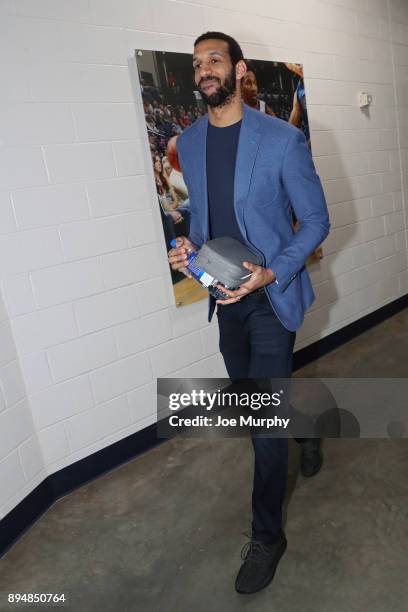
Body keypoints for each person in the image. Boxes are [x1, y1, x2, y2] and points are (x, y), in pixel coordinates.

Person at [167, 31, 330, 595]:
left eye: (214, 60)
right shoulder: (187, 142)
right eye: (196, 63)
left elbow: (315, 222)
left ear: (238, 70)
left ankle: (268, 536)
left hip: (270, 298)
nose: (204, 69)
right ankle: (306, 430)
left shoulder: (282, 140)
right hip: (223, 300)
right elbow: (204, 223)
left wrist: (271, 271)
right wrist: (190, 251)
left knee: (262, 422)